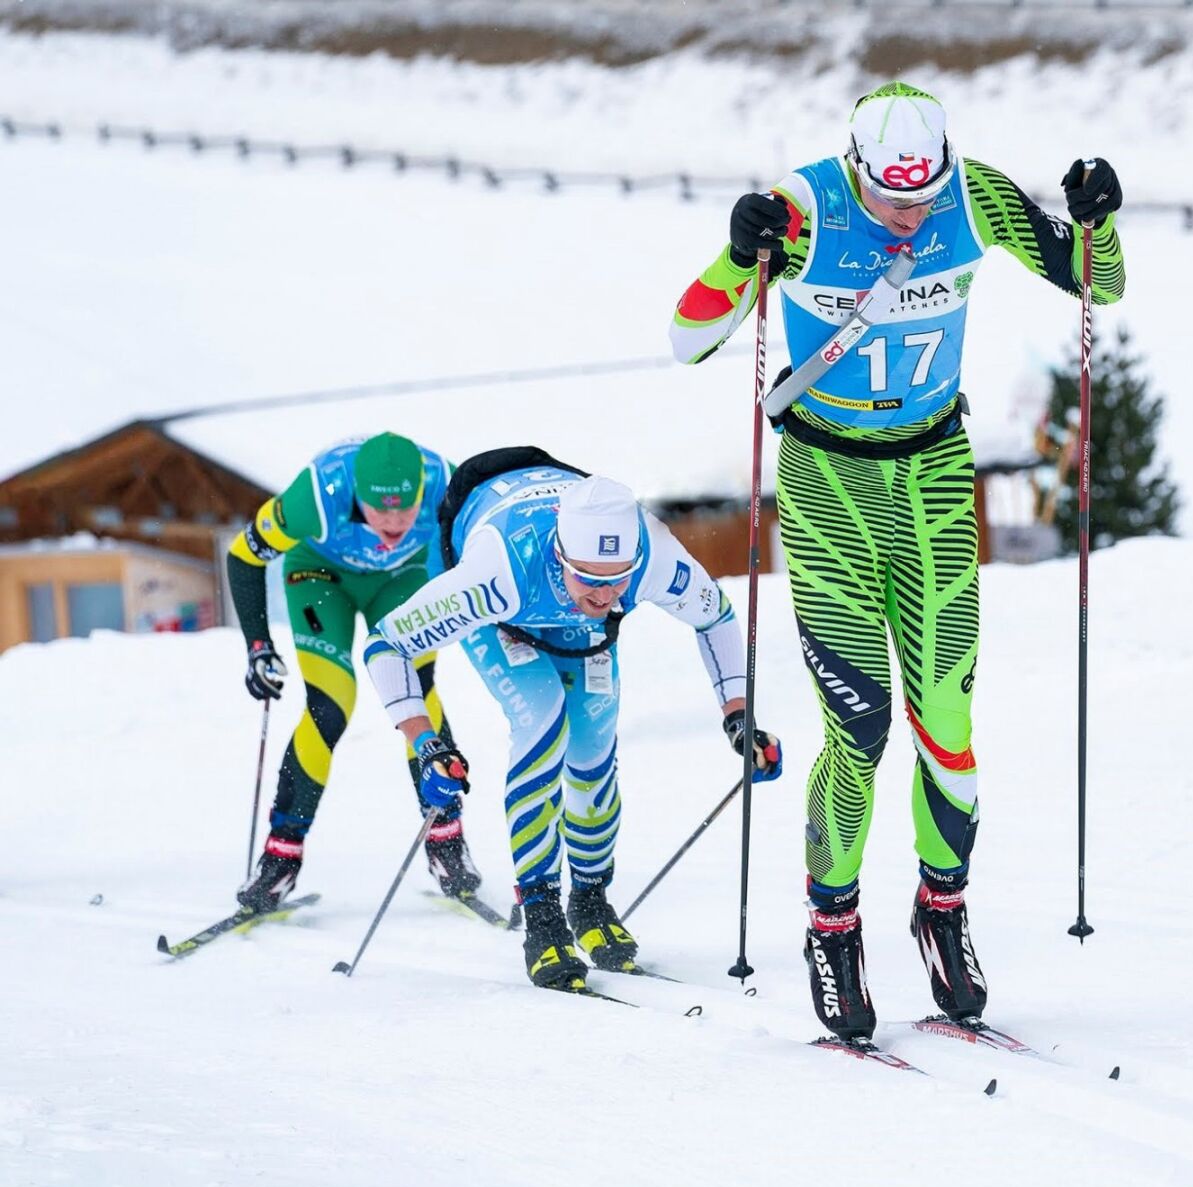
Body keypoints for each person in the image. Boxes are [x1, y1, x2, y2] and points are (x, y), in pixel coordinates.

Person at [668, 82, 1125, 1039]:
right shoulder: (802, 208)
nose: (909, 215)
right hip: (827, 487)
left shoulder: (976, 195)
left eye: (922, 197)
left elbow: (1099, 283)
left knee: (947, 721)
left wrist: (1099, 221)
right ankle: (832, 927)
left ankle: (942, 909)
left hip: (934, 480)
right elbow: (689, 337)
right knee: (860, 726)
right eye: (889, 197)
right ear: (856, 169)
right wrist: (738, 251)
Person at [360, 449, 781, 993]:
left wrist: (739, 717)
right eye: (588, 580)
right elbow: (386, 645)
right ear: (562, 554)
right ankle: (541, 915)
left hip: (572, 620)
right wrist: (425, 743)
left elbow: (716, 617)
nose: (604, 595)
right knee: (543, 720)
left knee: (592, 744)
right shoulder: (495, 571)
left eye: (618, 581)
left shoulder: (653, 554)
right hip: (510, 611)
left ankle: (589, 899)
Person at [226, 432, 481, 912]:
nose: (394, 523)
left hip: (403, 577)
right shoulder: (316, 495)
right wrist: (258, 646)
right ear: (357, 495)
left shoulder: (448, 483)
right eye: (379, 510)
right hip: (320, 577)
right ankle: (281, 856)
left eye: (406, 510)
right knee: (330, 705)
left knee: (419, 692)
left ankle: (446, 840)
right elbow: (243, 555)